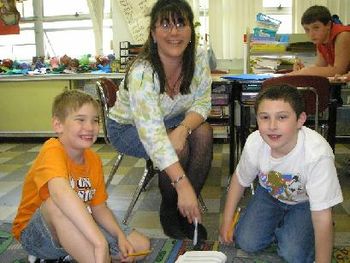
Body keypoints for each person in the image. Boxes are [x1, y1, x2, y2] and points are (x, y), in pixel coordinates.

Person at [107, 0, 213, 240]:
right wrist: (182, 184)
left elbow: (203, 103)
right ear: (153, 34)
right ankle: (169, 208)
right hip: (128, 128)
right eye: (165, 24)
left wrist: (183, 128)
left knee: (203, 132)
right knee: (178, 150)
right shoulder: (142, 73)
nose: (174, 32)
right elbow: (153, 136)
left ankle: (186, 210)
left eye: (180, 23)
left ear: (190, 32)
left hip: (171, 119)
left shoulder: (197, 57)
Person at [12, 90, 150, 262]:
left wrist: (120, 235)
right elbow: (59, 193)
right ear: (58, 125)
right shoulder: (52, 149)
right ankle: (82, 251)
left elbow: (99, 208)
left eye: (95, 120)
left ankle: (76, 251)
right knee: (57, 204)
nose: (90, 127)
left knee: (141, 246)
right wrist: (99, 242)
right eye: (80, 120)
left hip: (76, 224)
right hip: (37, 235)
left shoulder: (93, 160)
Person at [219, 85, 343, 263]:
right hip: (269, 195)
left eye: (282, 117)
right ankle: (284, 227)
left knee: (294, 255)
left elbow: (322, 216)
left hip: (306, 203)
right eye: (264, 117)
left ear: (300, 120)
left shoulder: (317, 155)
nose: (272, 126)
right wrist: (227, 220)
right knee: (246, 242)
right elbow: (239, 181)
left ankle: (295, 229)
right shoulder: (255, 142)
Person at [290, 5, 350, 77]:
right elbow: (320, 66)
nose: (311, 34)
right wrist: (303, 69)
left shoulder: (343, 35)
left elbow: (339, 70)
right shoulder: (321, 39)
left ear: (328, 25)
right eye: (307, 29)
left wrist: (306, 71)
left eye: (316, 27)